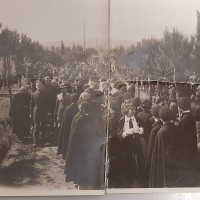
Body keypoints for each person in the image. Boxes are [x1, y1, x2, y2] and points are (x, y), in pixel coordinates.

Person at [65, 101, 105, 190]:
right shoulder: (83, 119)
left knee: (81, 175)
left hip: (79, 151)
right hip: (84, 151)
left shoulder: (77, 117)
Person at [149, 106, 181, 187]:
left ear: (161, 118)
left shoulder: (161, 132)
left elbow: (157, 151)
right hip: (175, 161)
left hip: (164, 163)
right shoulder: (177, 128)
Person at [116, 103, 144, 188]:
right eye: (132, 109)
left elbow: (141, 127)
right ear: (127, 110)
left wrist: (141, 129)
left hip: (136, 146)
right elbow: (119, 135)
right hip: (126, 147)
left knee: (137, 165)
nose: (134, 111)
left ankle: (136, 183)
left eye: (135, 109)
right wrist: (127, 133)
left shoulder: (137, 119)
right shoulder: (122, 120)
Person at [178, 97, 198, 186]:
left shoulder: (184, 119)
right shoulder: (190, 116)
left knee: (187, 167)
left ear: (180, 107)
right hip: (192, 146)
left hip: (186, 148)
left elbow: (181, 136)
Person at [142, 104, 162, 187]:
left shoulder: (154, 129)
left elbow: (150, 149)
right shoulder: (162, 125)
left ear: (153, 114)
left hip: (154, 159)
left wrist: (145, 166)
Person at [57, 94, 79, 159]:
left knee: (66, 140)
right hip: (71, 127)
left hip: (67, 127)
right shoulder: (74, 108)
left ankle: (65, 154)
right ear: (75, 100)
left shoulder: (68, 107)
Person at [30, 81, 50, 146]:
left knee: (44, 126)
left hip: (44, 112)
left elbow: (48, 104)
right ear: (36, 86)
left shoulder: (46, 94)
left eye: (40, 85)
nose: (39, 86)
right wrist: (30, 113)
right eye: (37, 85)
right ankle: (35, 142)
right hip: (36, 112)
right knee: (36, 127)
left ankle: (44, 141)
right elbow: (32, 105)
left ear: (42, 86)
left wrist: (48, 112)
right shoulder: (33, 94)